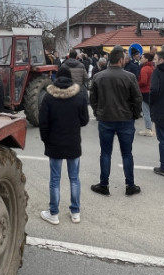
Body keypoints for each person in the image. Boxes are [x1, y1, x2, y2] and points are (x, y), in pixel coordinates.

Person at [89, 46, 143, 196]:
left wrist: (97, 112)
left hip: (105, 118)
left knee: (105, 153)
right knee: (127, 154)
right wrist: (135, 114)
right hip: (125, 119)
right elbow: (137, 98)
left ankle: (104, 184)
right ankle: (130, 185)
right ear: (120, 60)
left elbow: (92, 98)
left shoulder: (98, 77)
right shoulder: (130, 76)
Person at [39, 66, 89, 225]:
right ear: (70, 79)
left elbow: (43, 122)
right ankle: (75, 211)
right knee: (74, 178)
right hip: (73, 142)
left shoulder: (48, 97)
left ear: (56, 78)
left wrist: (46, 140)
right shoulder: (80, 96)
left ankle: (53, 213)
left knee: (55, 179)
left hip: (54, 142)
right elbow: (85, 120)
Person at [138, 52, 155, 137]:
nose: (141, 58)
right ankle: (150, 127)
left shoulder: (144, 69)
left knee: (146, 111)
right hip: (151, 91)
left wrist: (137, 84)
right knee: (150, 111)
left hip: (144, 91)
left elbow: (143, 81)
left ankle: (148, 129)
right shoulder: (152, 67)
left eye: (142, 57)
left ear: (146, 59)